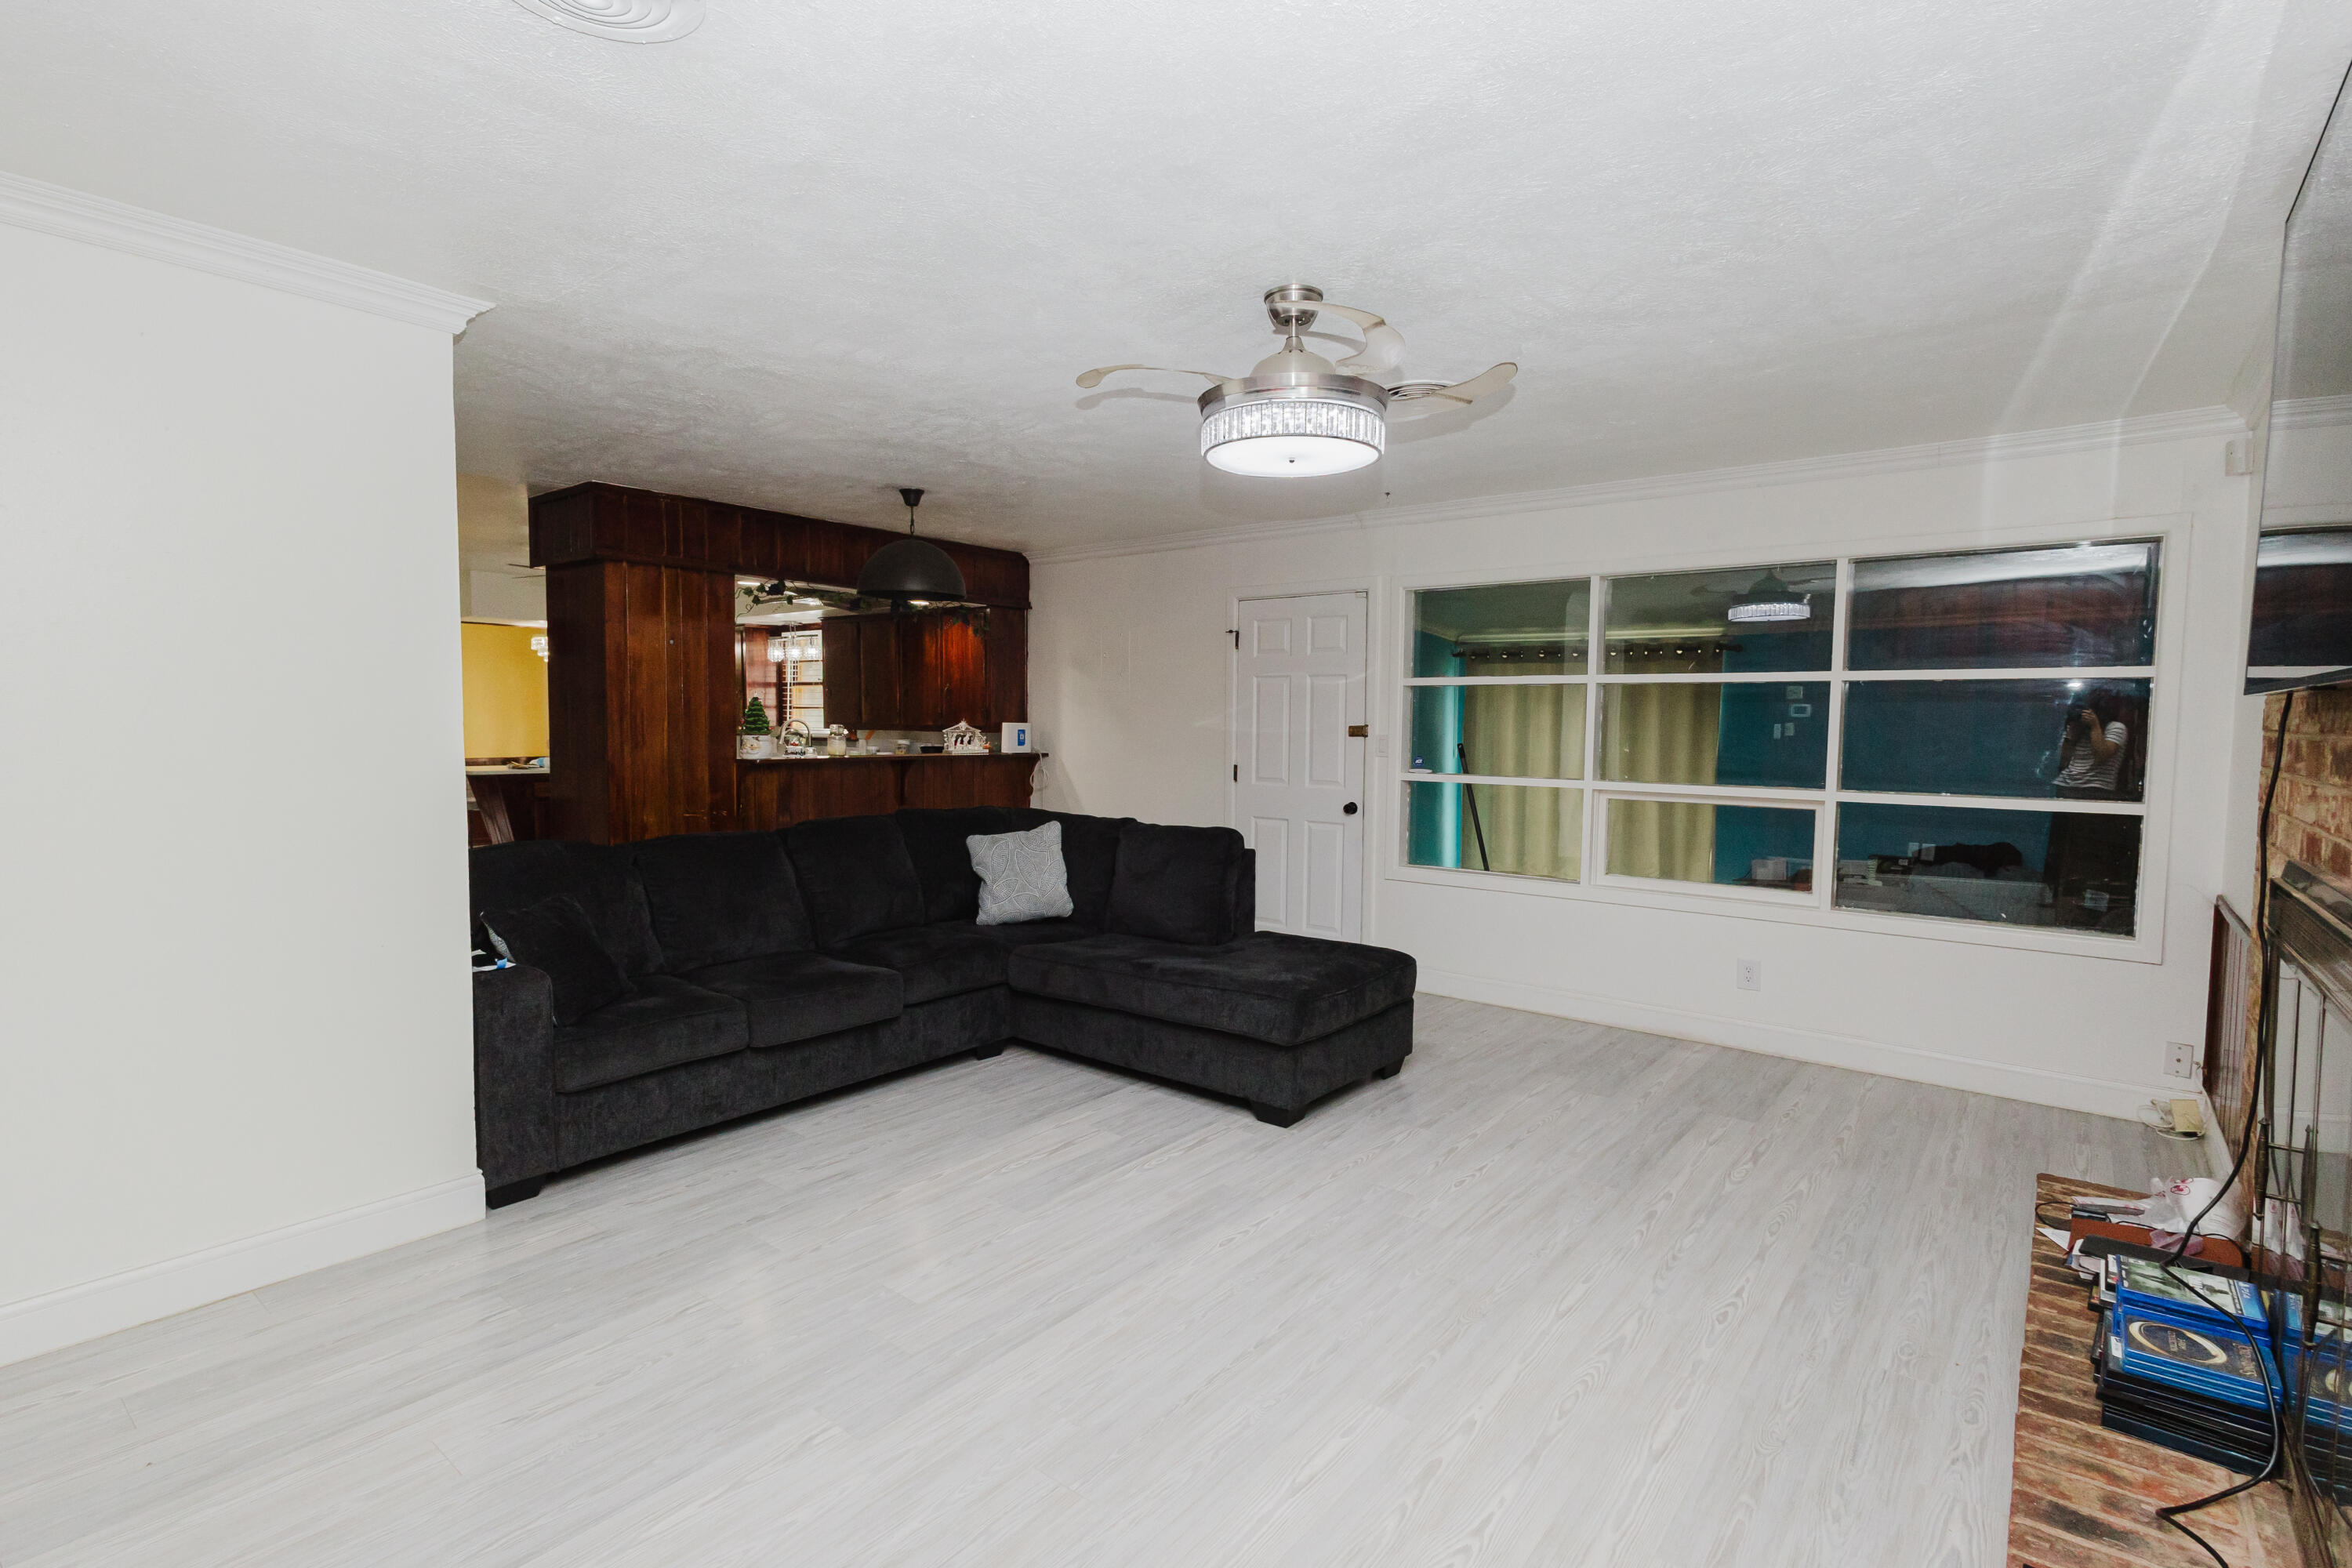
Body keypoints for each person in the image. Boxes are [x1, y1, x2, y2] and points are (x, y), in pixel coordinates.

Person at [2053, 688, 2129, 799]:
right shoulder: (2077, 727)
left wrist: (2095, 726)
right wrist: (2071, 735)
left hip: (2096, 788)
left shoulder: (2116, 727)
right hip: (2064, 784)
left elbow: (2101, 756)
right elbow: (2061, 762)